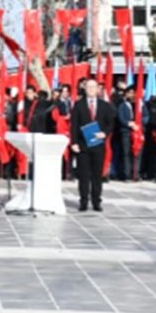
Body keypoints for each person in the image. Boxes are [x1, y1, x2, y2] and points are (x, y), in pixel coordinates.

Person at [69, 78, 114, 212]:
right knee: (83, 175)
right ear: (85, 89)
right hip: (83, 145)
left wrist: (104, 133)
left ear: (98, 89)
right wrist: (74, 142)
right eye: (89, 87)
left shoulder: (105, 106)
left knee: (97, 175)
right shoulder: (78, 105)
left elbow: (110, 123)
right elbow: (74, 125)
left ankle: (96, 201)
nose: (91, 89)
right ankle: (83, 201)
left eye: (94, 87)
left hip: (98, 145)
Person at [115, 87, 138, 181]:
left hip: (136, 131)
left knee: (135, 153)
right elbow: (120, 118)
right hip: (126, 132)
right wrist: (129, 123)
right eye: (129, 93)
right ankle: (126, 174)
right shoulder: (122, 105)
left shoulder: (136, 105)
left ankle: (135, 173)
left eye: (133, 93)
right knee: (126, 153)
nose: (131, 95)